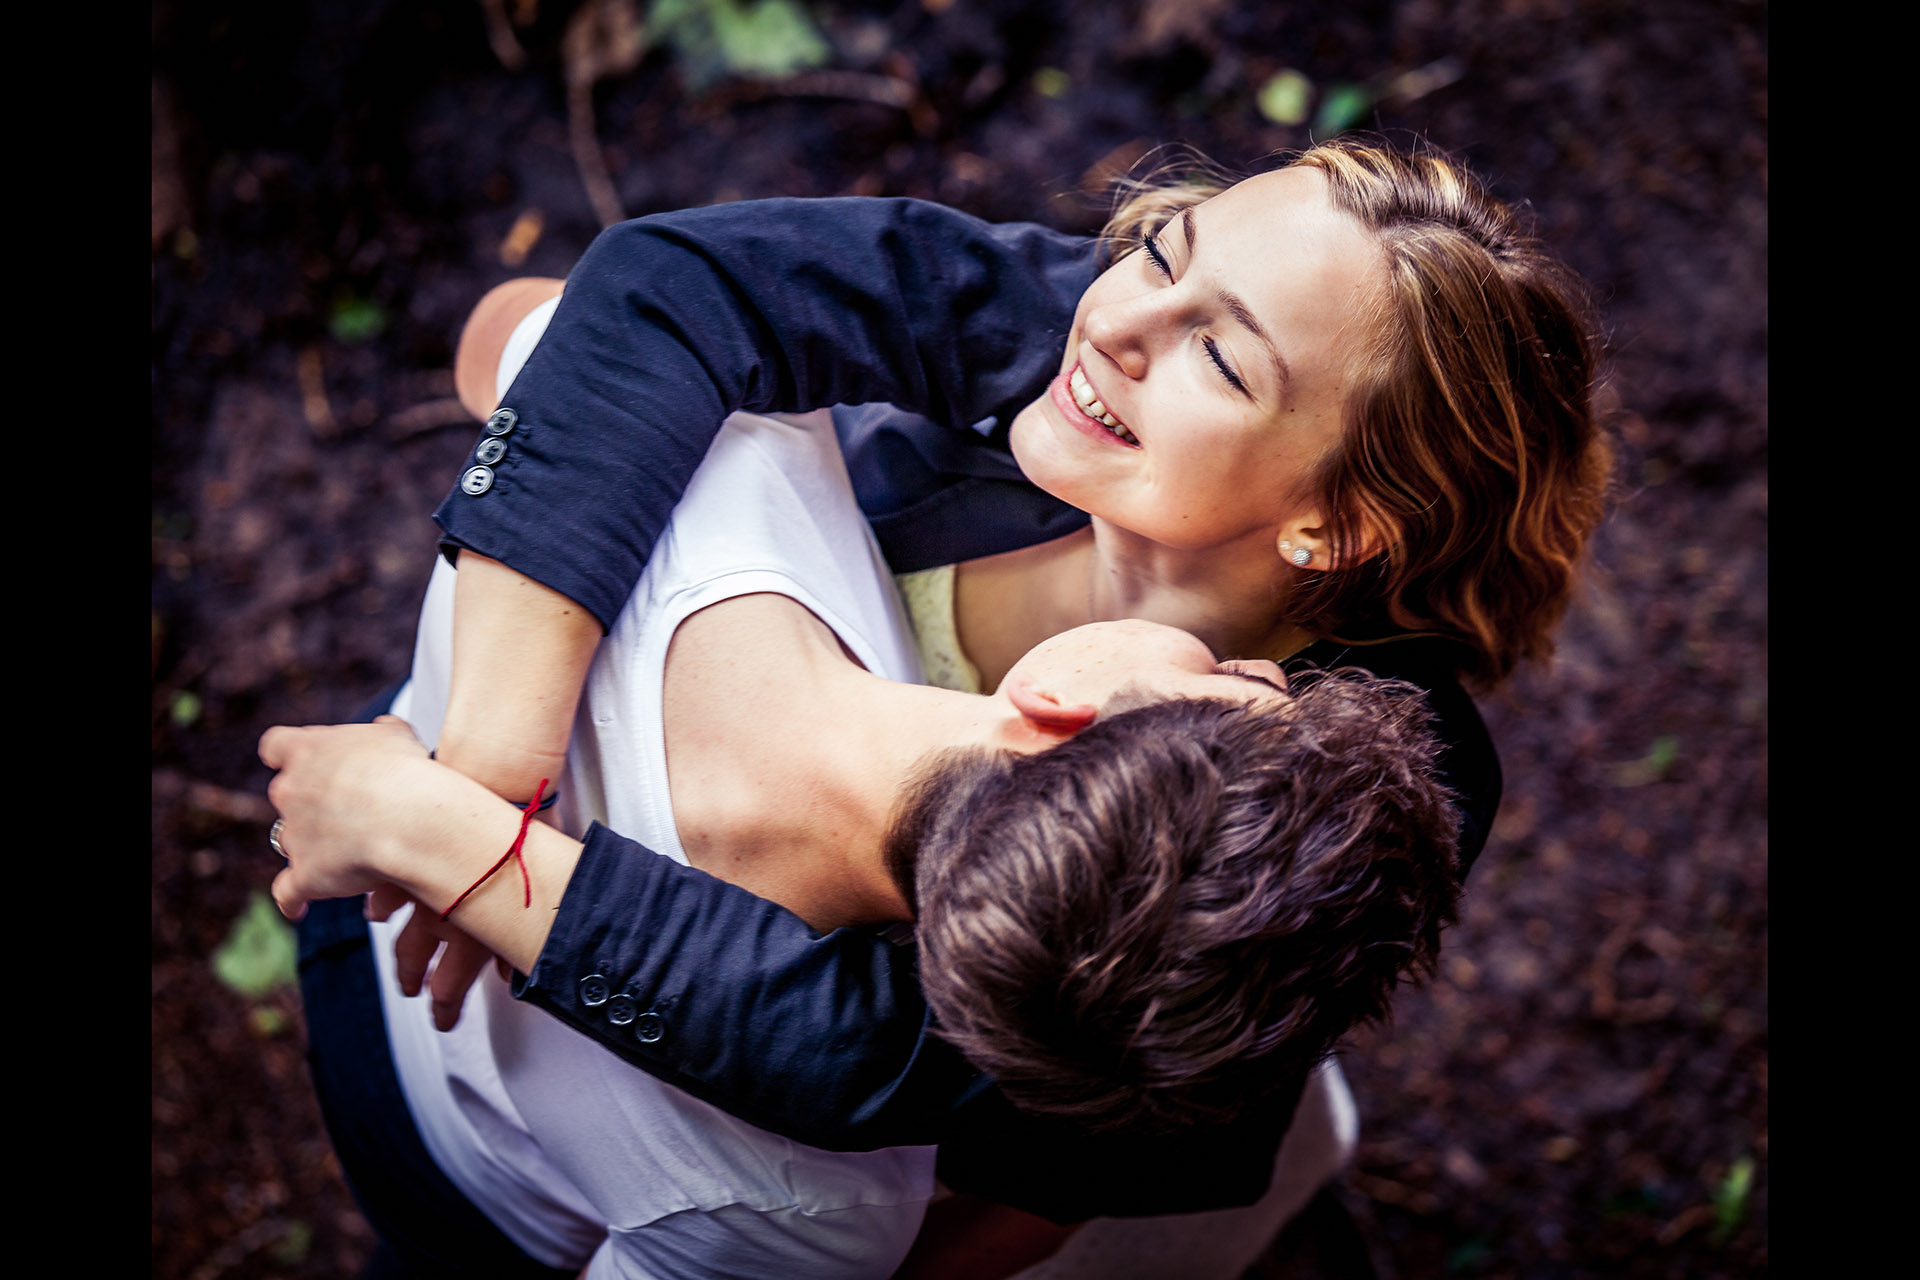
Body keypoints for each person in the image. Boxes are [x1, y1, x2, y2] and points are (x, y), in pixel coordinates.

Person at [305, 136, 1608, 1252]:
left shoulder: (1325, 781)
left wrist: (489, 865)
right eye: (1165, 253)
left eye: (1224, 360)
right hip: (390, 918)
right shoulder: (1069, 339)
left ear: (1335, 522)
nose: (1117, 324)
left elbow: (1007, 1110)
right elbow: (606, 305)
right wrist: (485, 772)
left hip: (651, 1169)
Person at [265, 384, 1460, 1275]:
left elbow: (528, 338)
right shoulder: (826, 1212)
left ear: (1059, 711)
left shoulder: (721, 462)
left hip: (350, 845)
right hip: (465, 1164)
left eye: (1225, 673)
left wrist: (447, 797)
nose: (1259, 658)